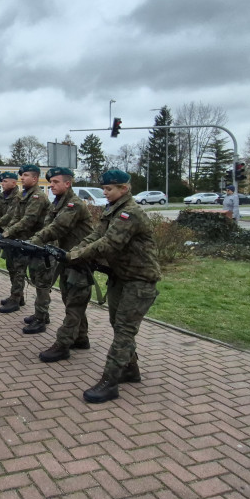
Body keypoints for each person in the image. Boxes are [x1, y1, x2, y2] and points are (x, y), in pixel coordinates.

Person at [65, 169, 161, 404]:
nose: (105, 193)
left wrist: (78, 256)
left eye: (109, 189)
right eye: (105, 189)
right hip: (121, 277)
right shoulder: (112, 211)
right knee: (118, 326)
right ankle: (130, 369)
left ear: (124, 189)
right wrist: (74, 251)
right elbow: (95, 236)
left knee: (125, 330)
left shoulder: (130, 213)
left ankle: (110, 382)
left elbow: (109, 244)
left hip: (140, 280)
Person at [24, 167, 95, 346]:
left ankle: (63, 344)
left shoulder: (74, 204)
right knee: (70, 299)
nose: (51, 186)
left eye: (56, 182)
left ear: (67, 183)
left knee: (73, 302)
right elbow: (49, 226)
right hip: (67, 258)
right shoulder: (58, 203)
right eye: (51, 182)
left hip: (79, 260)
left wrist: (35, 240)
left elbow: (58, 227)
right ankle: (81, 337)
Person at [0, 165, 50, 314]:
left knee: (24, 272)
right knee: (14, 269)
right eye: (21, 175)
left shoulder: (37, 196)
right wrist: (8, 232)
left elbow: (28, 220)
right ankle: (17, 296)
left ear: (35, 179)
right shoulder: (24, 195)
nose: (22, 178)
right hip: (21, 240)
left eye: (26, 175)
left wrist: (7, 233)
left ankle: (18, 300)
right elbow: (15, 217)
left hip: (33, 242)